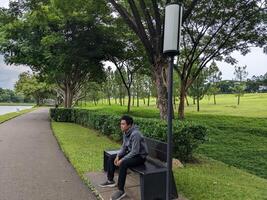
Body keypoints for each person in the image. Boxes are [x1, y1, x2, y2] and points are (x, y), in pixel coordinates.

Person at [99, 115, 148, 200]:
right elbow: (124, 147)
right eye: (121, 124)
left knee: (124, 163)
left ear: (129, 125)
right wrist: (118, 156)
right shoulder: (126, 132)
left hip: (140, 157)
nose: (121, 125)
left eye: (123, 124)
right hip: (131, 154)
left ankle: (121, 190)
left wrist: (122, 159)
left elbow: (135, 151)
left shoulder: (135, 134)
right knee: (111, 157)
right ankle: (110, 180)